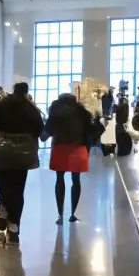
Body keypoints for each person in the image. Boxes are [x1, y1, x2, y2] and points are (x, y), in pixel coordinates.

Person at [0, 81, 45, 243]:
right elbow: (39, 129)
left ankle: (3, 211)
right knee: (18, 189)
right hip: (23, 155)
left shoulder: (3, 105)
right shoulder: (31, 108)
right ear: (26, 92)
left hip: (4, 153)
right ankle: (14, 226)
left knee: (3, 184)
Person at [44, 91, 92, 223]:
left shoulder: (55, 112)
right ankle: (73, 213)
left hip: (60, 148)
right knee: (76, 180)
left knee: (59, 179)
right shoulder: (83, 113)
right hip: (78, 149)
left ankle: (60, 214)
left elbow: (47, 131)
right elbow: (89, 131)